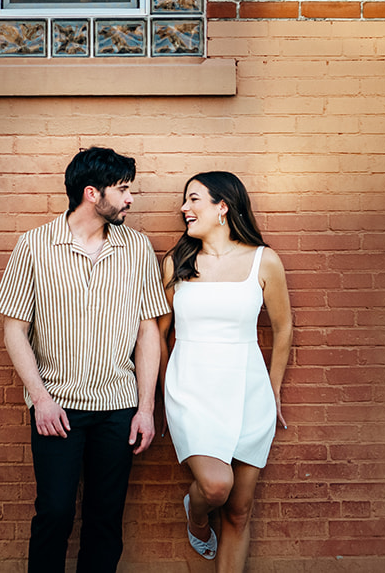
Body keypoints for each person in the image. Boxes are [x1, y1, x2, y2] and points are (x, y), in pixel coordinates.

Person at [0, 146, 170, 573]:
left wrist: (146, 409)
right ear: (92, 193)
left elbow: (148, 330)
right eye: (122, 189)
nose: (130, 198)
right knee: (54, 513)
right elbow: (14, 330)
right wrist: (41, 399)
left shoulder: (137, 248)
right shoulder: (34, 246)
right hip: (58, 407)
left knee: (105, 520)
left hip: (118, 407)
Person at [159, 171, 293, 567]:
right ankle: (197, 515)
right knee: (216, 486)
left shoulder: (264, 261)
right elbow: (159, 334)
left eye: (194, 199)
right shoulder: (177, 263)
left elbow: (283, 328)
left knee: (239, 510)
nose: (184, 208)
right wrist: (164, 392)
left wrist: (272, 390)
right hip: (191, 392)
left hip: (249, 393)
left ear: (223, 206)